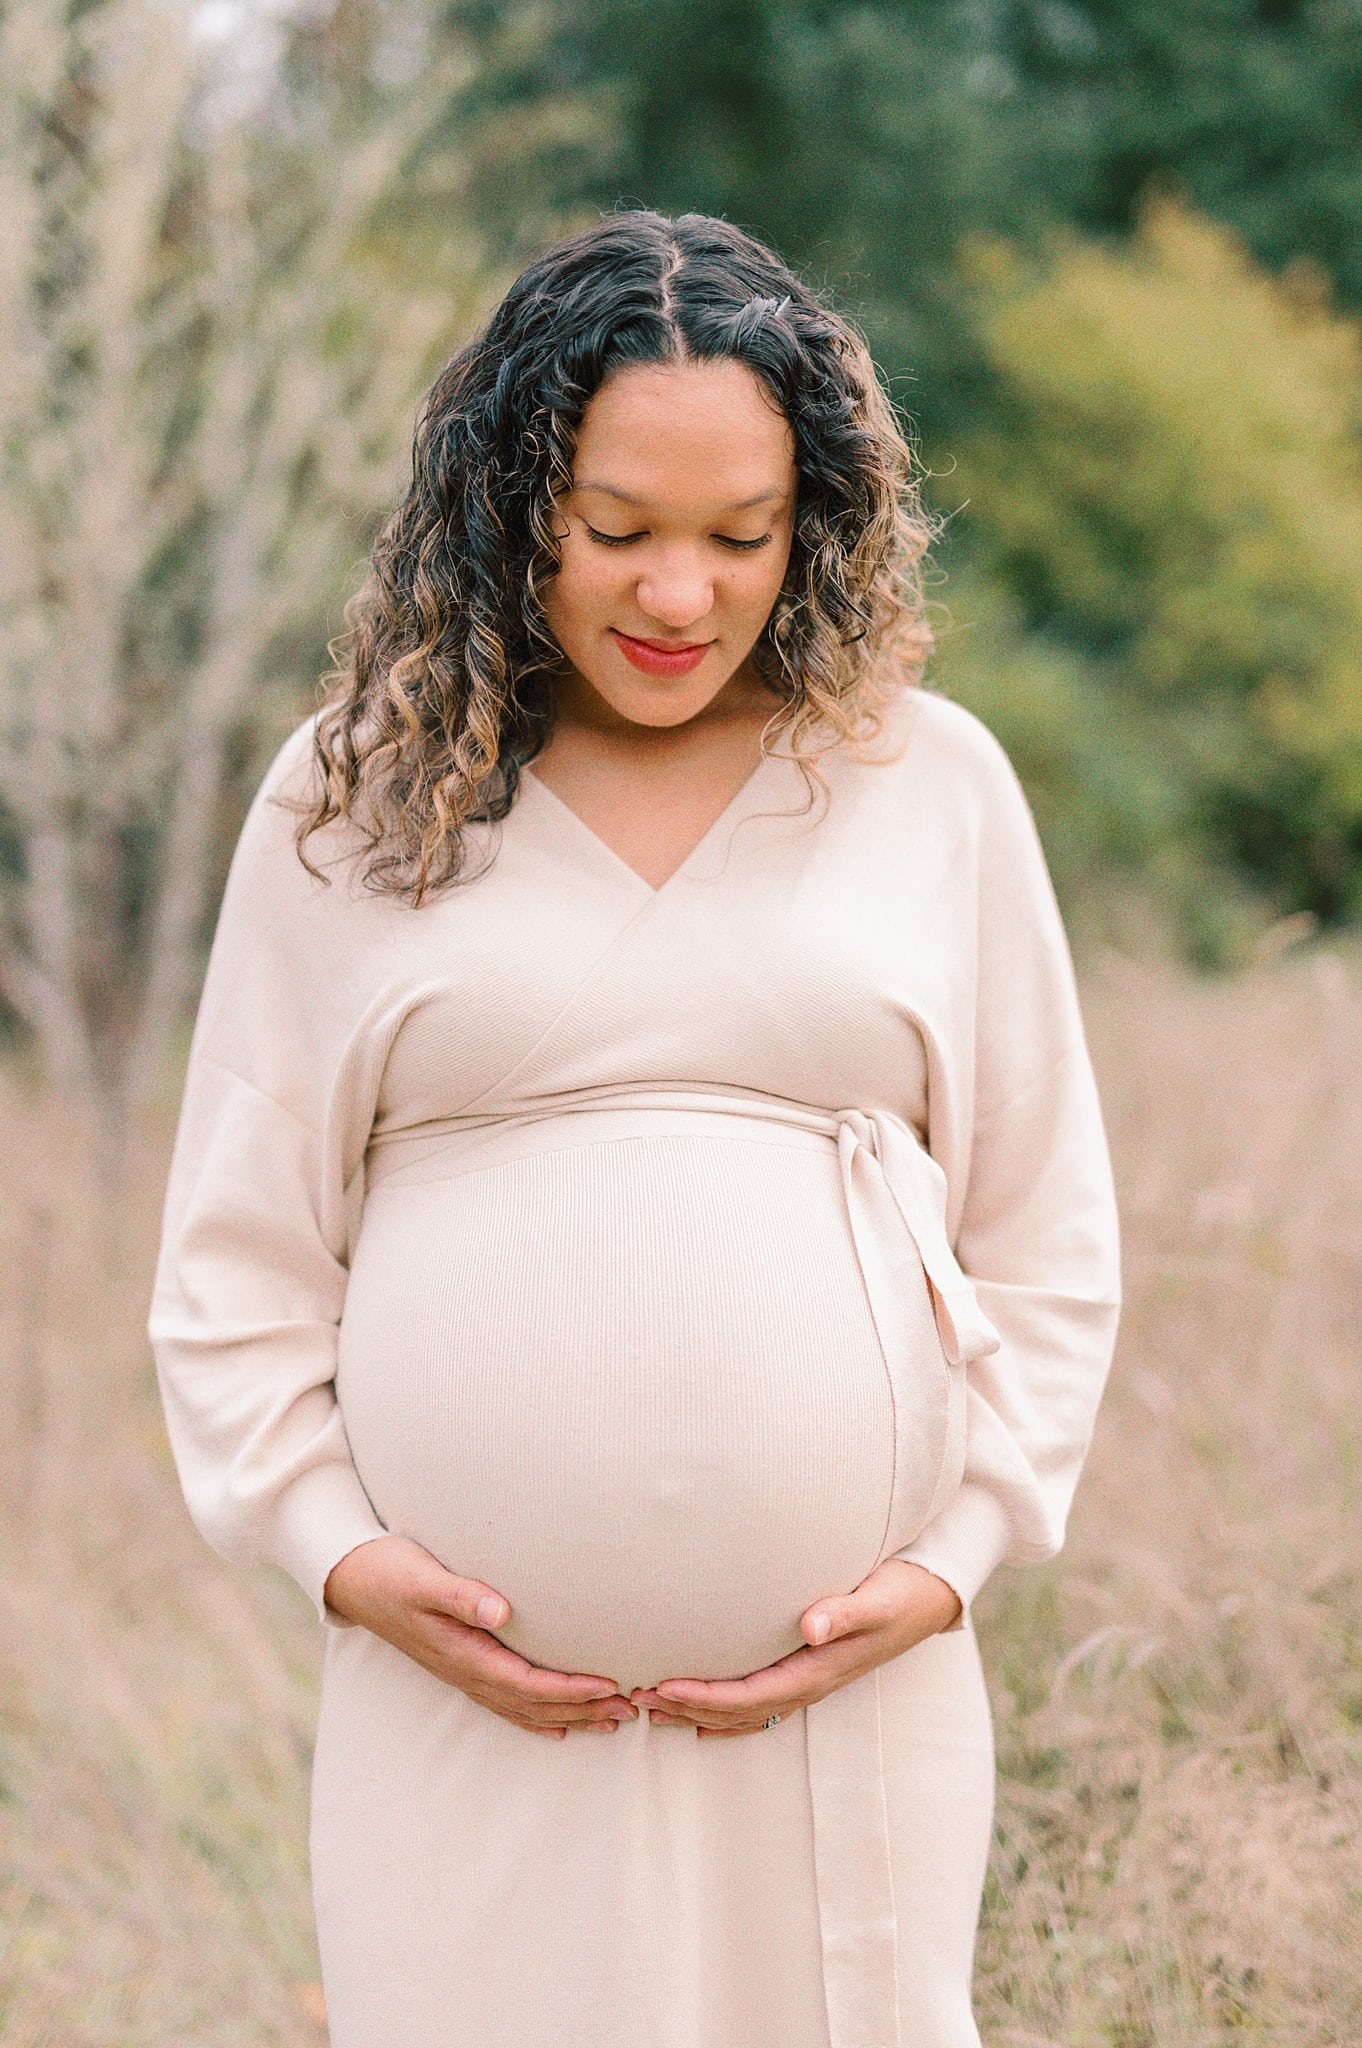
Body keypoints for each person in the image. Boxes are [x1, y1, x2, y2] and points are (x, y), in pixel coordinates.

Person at [148, 208, 1122, 2048]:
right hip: (460, 1727)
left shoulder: (930, 787)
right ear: (510, 505)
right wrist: (339, 1557)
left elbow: (1047, 1237)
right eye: (619, 532)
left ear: (810, 528)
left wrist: (953, 1559)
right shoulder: (350, 800)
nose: (681, 594)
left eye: (740, 538)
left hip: (848, 1712)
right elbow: (237, 1270)